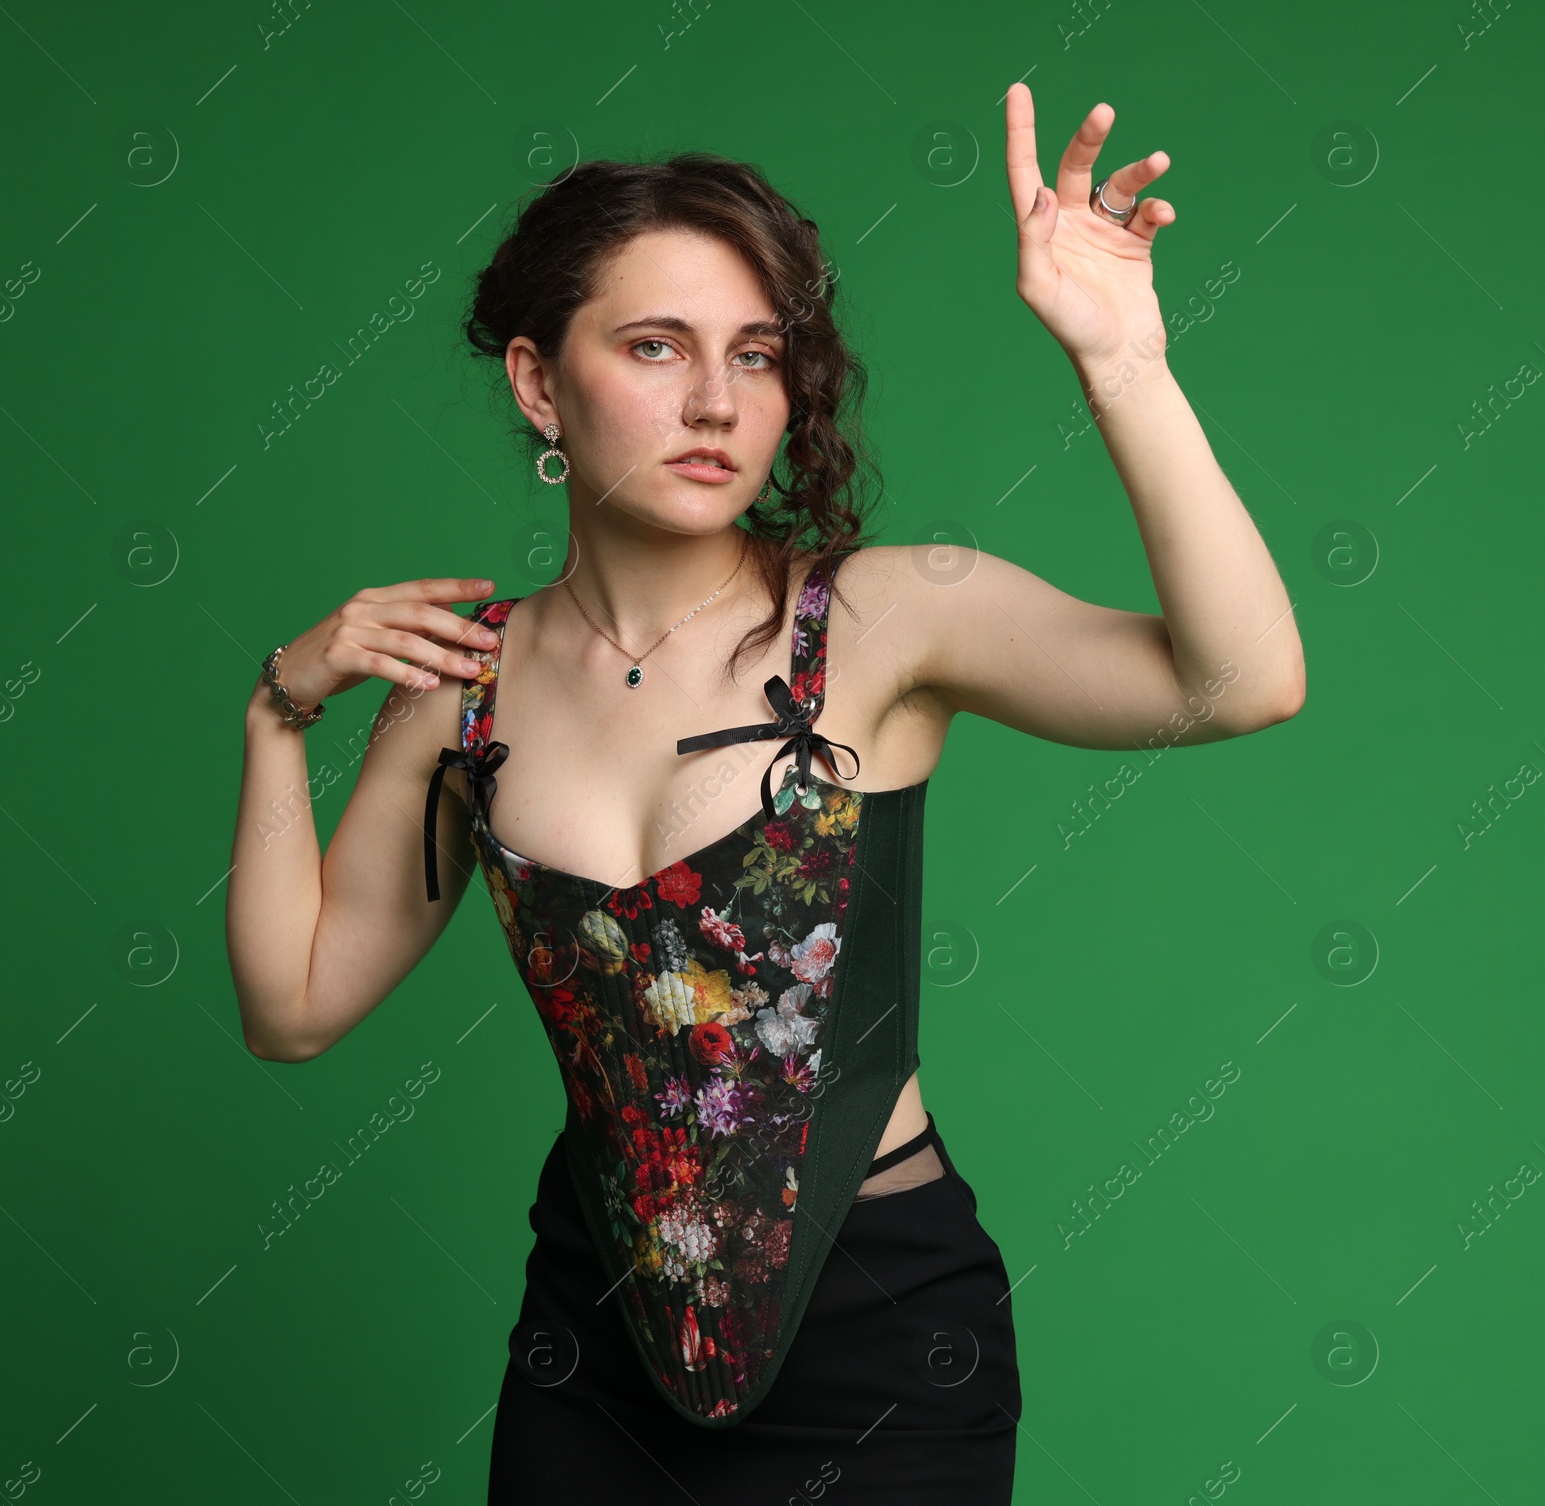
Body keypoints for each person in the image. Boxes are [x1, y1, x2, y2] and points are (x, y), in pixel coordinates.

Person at [227, 83, 1305, 1504]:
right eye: (656, 347)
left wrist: (1125, 363)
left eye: (756, 352)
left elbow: (1242, 681)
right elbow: (293, 1006)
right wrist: (278, 711)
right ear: (540, 382)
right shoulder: (459, 687)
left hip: (885, 1346)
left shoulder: (883, 620)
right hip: (591, 1356)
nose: (718, 402)